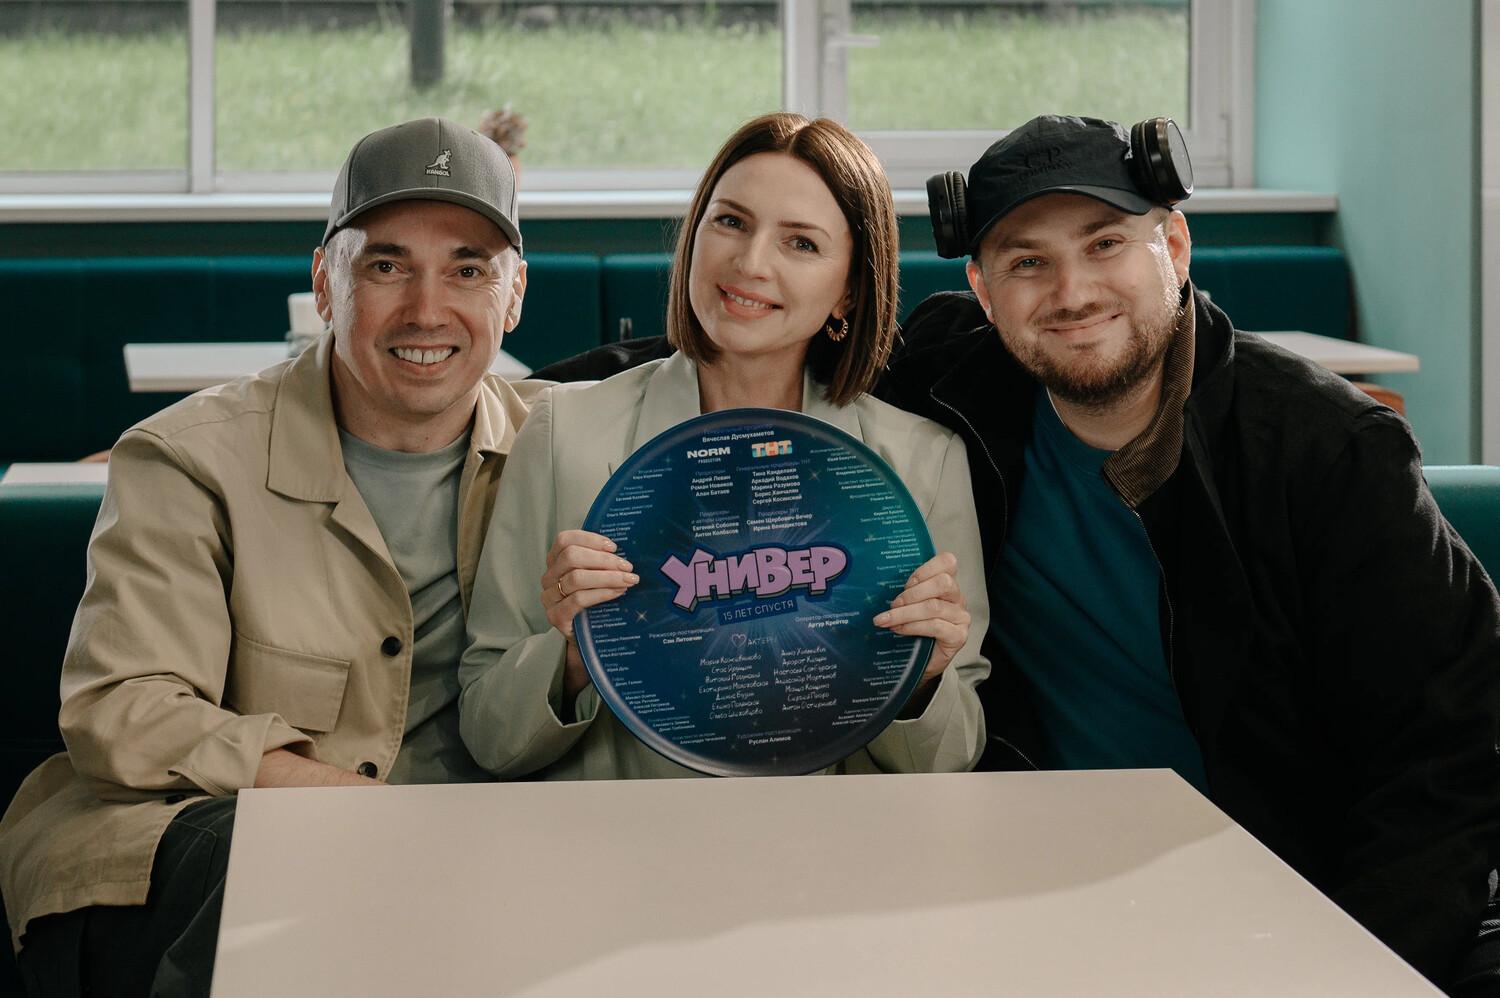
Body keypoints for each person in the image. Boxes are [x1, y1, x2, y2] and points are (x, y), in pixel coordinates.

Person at [879, 114, 1500, 992]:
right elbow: (774, 357)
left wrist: (1349, 973)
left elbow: (1451, 751)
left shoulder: (1328, 451)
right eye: (1027, 263)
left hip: (1297, 895)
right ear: (983, 291)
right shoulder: (952, 386)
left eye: (1105, 244)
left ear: (1173, 245)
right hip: (1043, 894)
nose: (1071, 291)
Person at [0, 117, 534, 997]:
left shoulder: (570, 452)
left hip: (460, 868)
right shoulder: (187, 457)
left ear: (513, 296)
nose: (427, 309)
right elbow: (123, 709)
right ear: (324, 283)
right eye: (386, 266)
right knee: (296, 886)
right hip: (192, 855)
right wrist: (365, 814)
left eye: (468, 270)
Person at [457, 112, 988, 780]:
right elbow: (489, 737)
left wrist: (922, 678)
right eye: (731, 222)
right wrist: (572, 655)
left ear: (850, 289)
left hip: (834, 840)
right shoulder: (563, 432)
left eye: (801, 243)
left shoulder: (924, 463)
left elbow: (951, 762)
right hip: (621, 837)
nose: (750, 262)